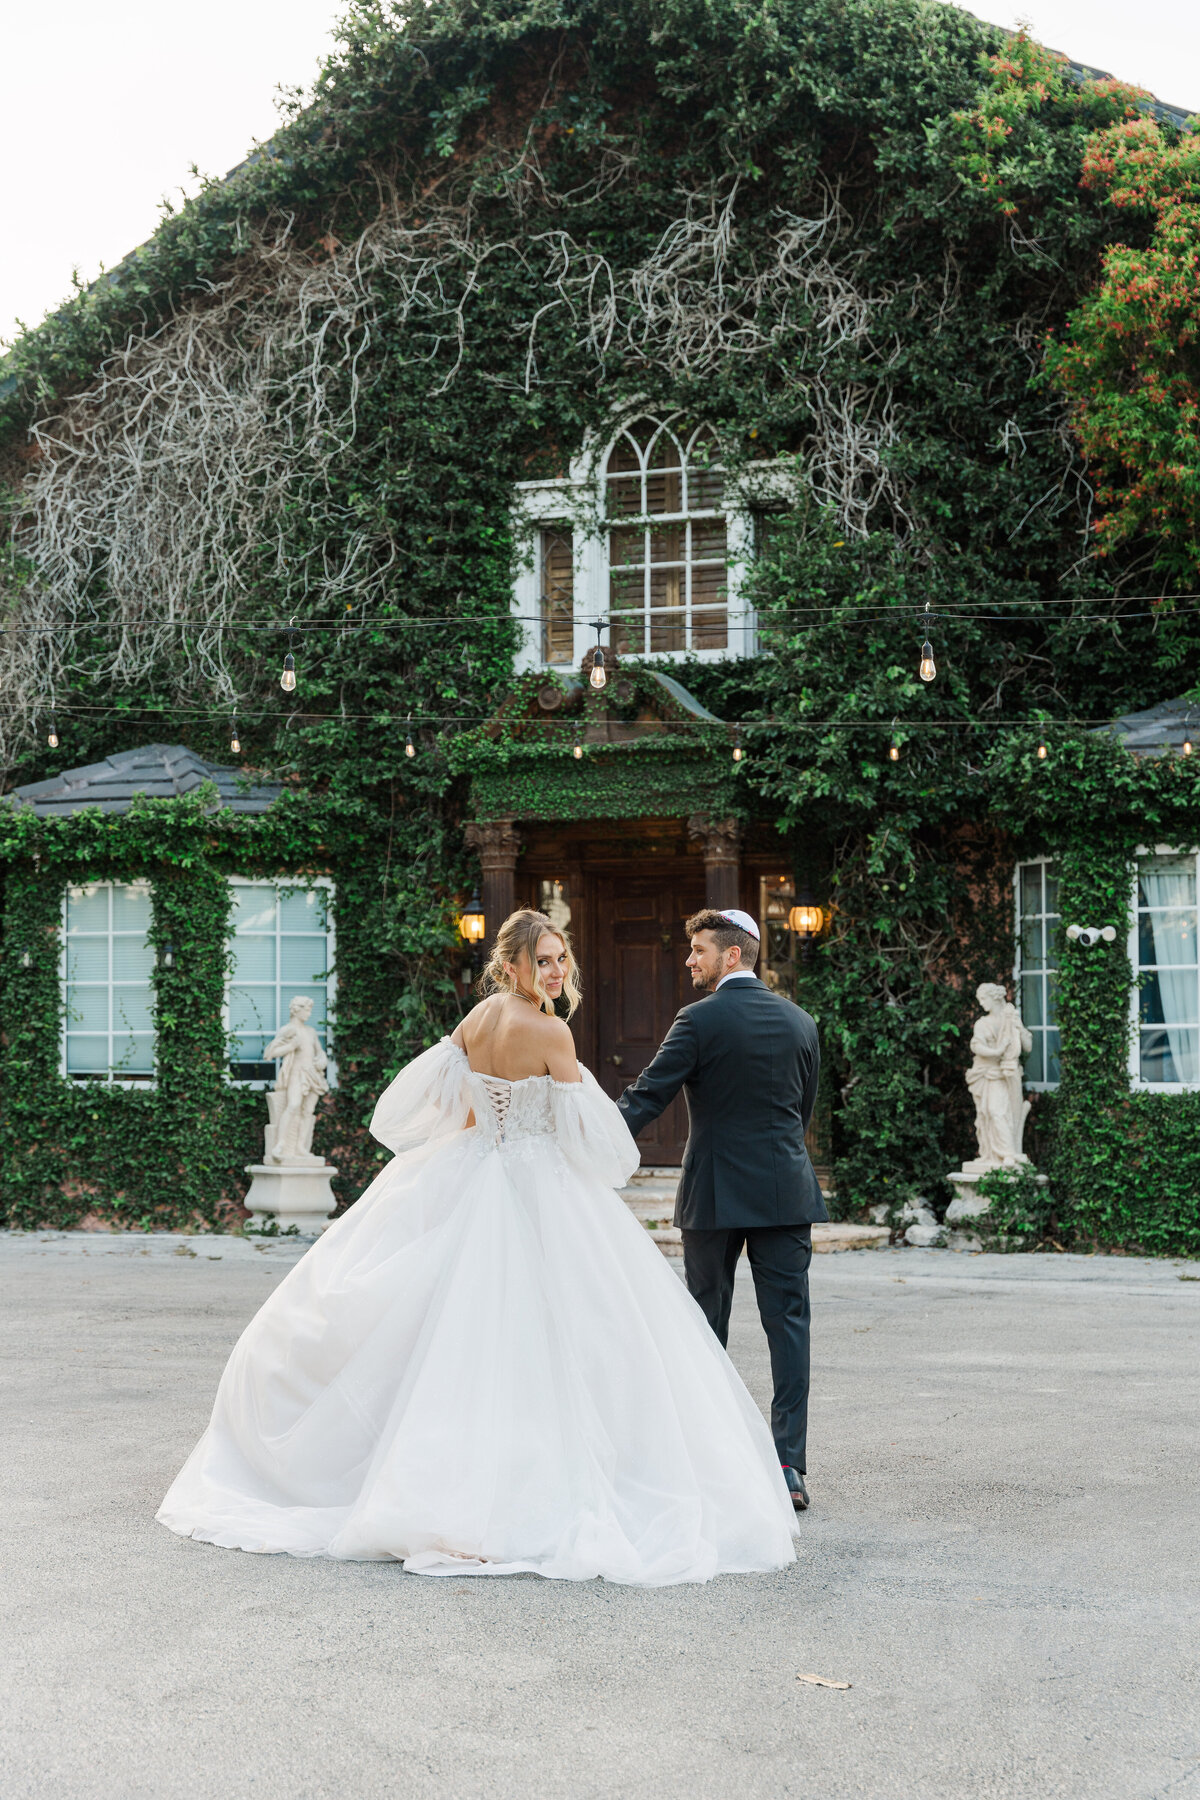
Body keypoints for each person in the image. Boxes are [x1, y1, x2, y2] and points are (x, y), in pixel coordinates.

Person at [157, 909, 798, 1584]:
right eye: (544, 960)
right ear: (513, 965)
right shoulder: (551, 1030)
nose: (557, 971)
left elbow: (442, 1109)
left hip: (467, 1170)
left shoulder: (476, 1021)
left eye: (560, 959)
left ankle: (442, 1474)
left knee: (451, 1334)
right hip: (535, 1182)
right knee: (552, 1337)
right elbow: (597, 1143)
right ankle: (529, 1481)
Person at [618, 908, 825, 1512]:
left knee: (705, 1327)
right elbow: (800, 1112)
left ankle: (708, 1463)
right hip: (785, 1191)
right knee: (789, 1327)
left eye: (699, 951)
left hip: (712, 1195)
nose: (690, 961)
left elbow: (647, 1097)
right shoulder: (801, 1022)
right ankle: (789, 1466)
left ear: (731, 956)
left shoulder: (699, 1020)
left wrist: (585, 1139)